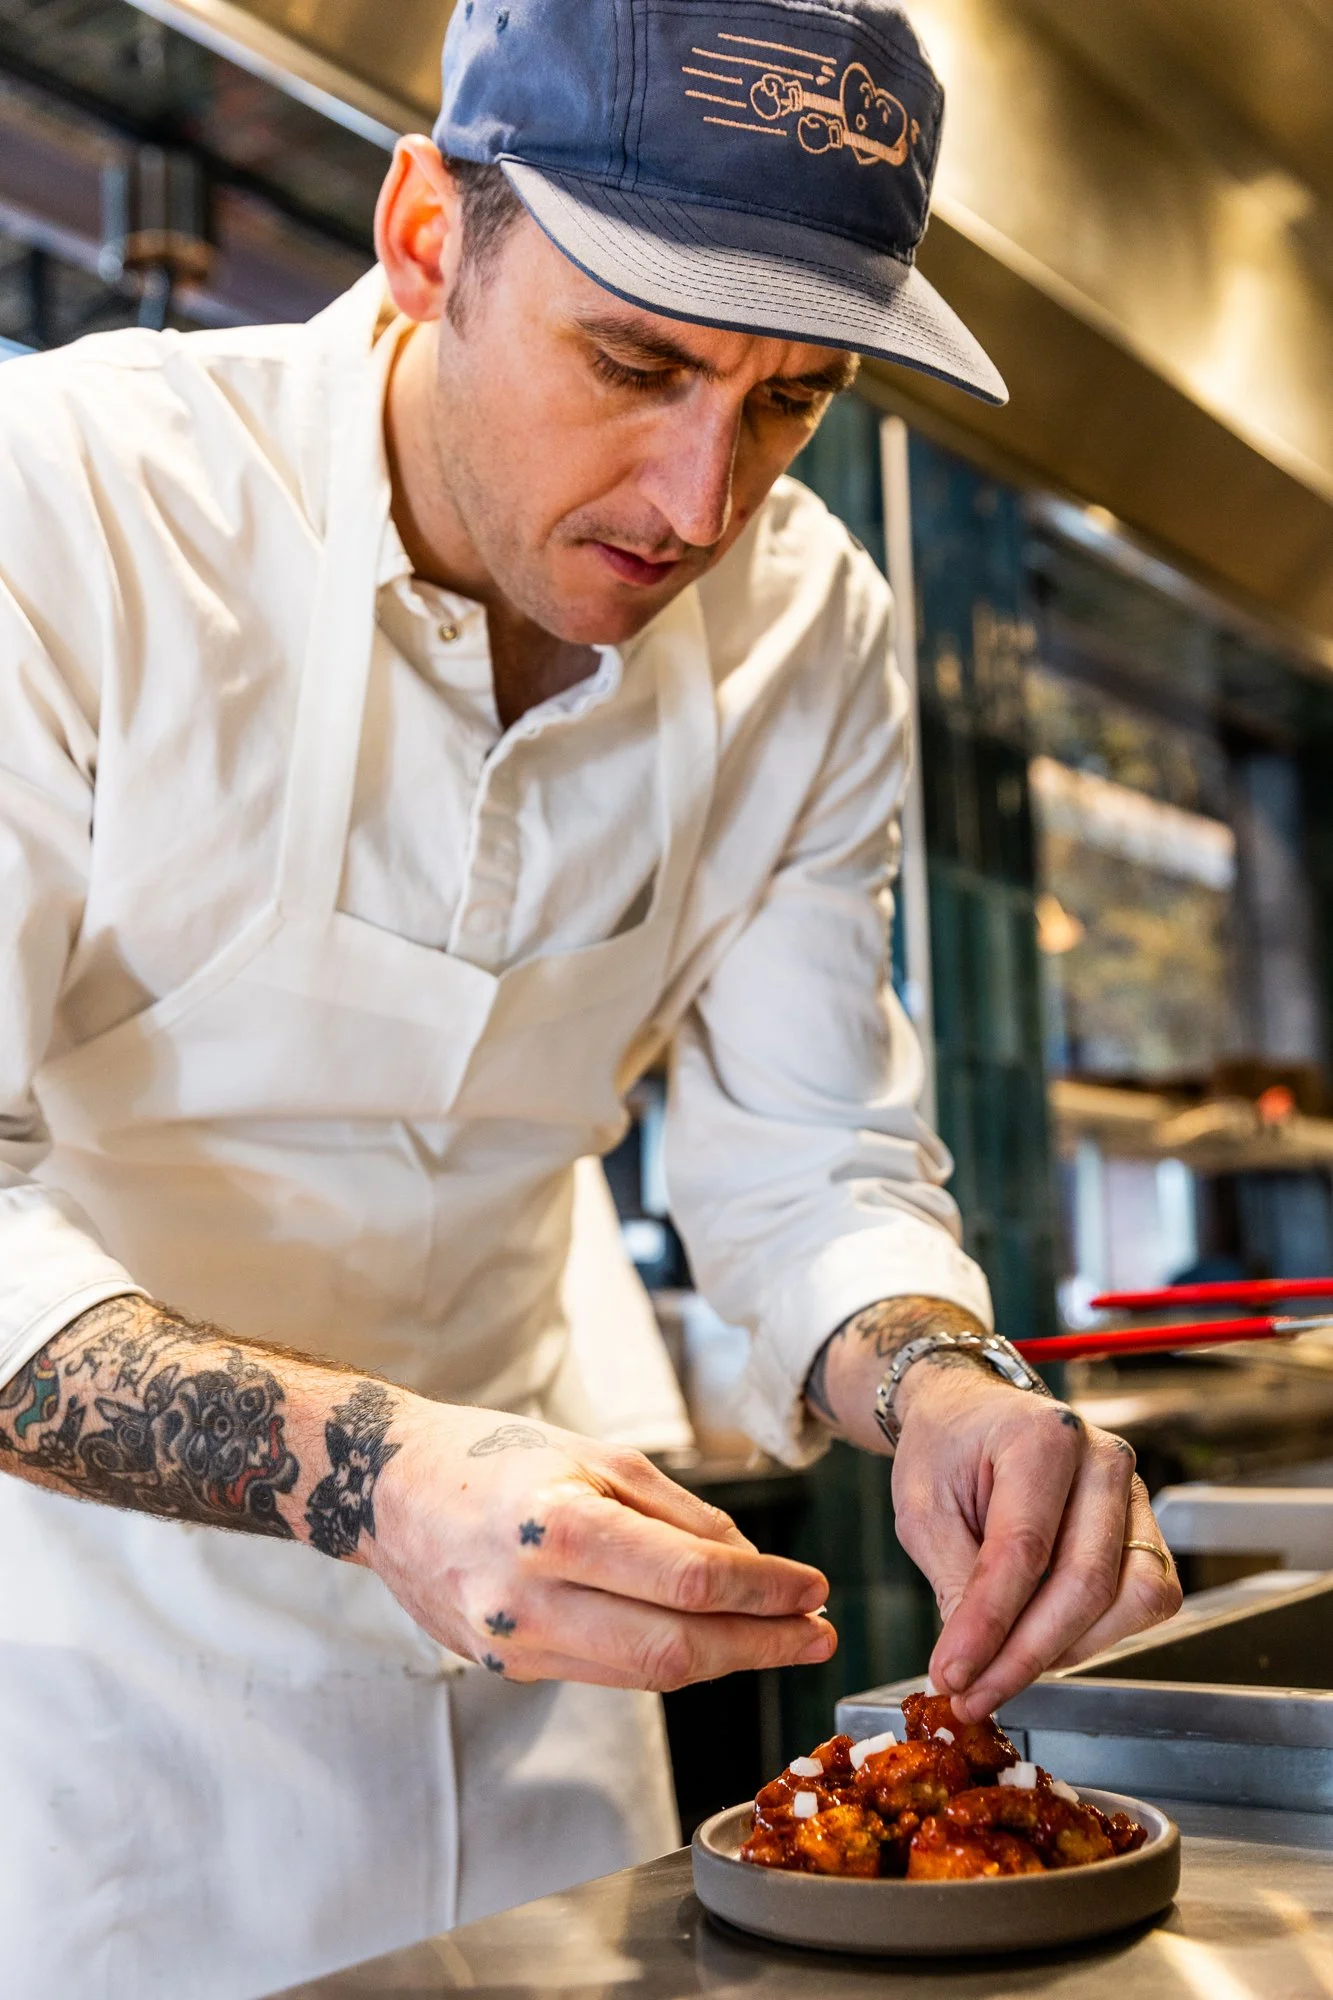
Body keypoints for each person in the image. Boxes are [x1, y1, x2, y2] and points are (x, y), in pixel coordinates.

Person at [0, 0, 1180, 1992]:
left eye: (794, 399)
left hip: (549, 1650)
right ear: (426, 241)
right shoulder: (75, 506)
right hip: (96, 1695)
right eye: (636, 360)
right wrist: (373, 1471)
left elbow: (811, 1166)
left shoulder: (812, 635)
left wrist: (942, 1388)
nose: (702, 500)